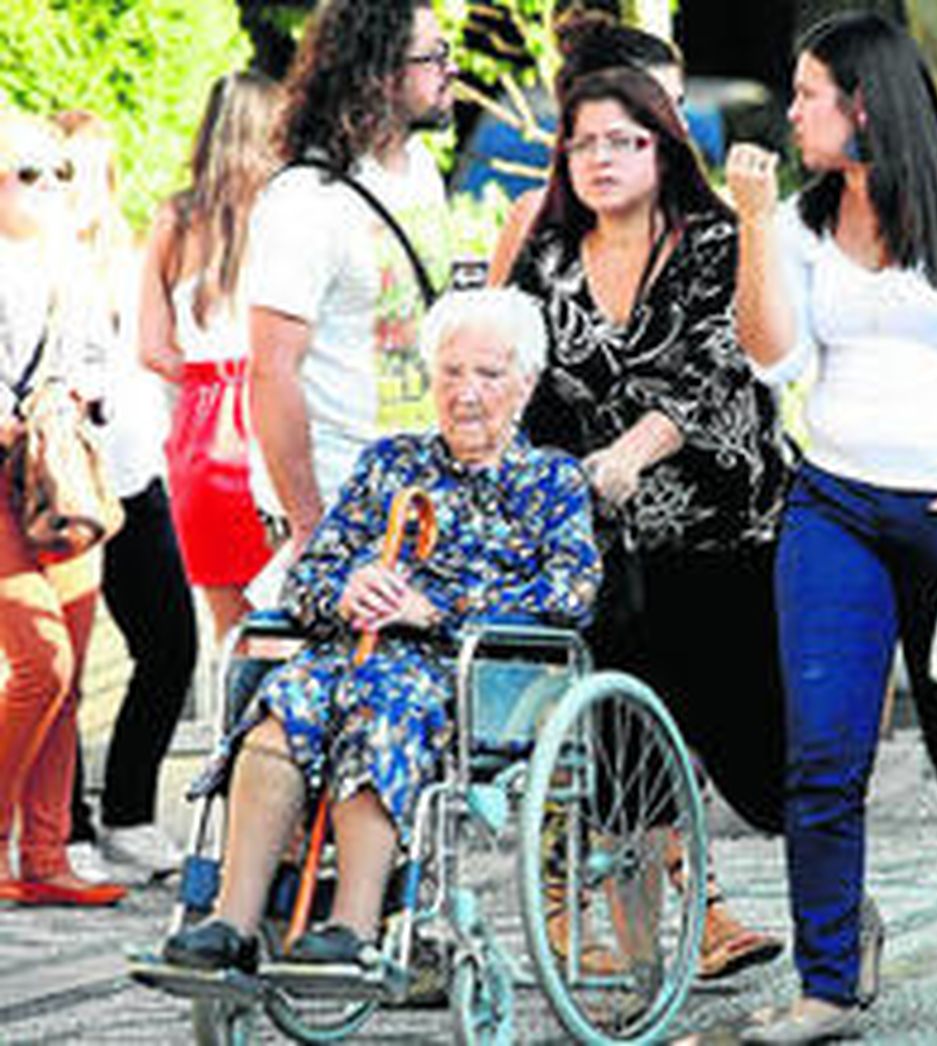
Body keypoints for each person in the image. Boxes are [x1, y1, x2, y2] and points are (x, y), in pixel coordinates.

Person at [727, 13, 937, 1039]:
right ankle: (828, 982)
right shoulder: (795, 218)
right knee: (822, 752)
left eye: (806, 95)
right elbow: (774, 361)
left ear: (863, 102)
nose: (789, 113)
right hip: (833, 500)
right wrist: (750, 221)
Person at [161, 287, 600, 970]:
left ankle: (353, 927)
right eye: (450, 373)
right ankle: (231, 924)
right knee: (284, 708)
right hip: (350, 653)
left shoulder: (552, 480)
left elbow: (570, 593)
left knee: (383, 704)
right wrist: (347, 589)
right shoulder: (391, 465)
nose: (466, 393)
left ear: (526, 383)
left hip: (470, 676)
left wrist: (438, 611)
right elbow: (307, 577)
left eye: (487, 375)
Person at [505, 66, 788, 979]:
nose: (600, 159)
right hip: (603, 545)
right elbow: (516, 368)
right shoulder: (549, 257)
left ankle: (828, 907)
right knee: (627, 755)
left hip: (723, 531)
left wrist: (632, 451)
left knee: (764, 762)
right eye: (582, 143)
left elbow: (719, 370)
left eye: (622, 141)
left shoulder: (712, 240)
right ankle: (638, 979)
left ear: (664, 149)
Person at [246, 0, 456, 569]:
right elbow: (270, 370)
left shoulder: (421, 171)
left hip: (420, 493)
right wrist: (309, 522)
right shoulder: (306, 200)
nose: (451, 70)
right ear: (381, 73)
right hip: (339, 495)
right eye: (434, 57)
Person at [52, 109, 201, 885]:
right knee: (62, 665)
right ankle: (63, 824)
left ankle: (130, 813)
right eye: (53, 172)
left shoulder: (133, 256)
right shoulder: (28, 267)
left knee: (172, 645)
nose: (69, 190)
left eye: (82, 173)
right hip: (62, 488)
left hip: (139, 479)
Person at [0, 108, 123, 907]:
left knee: (71, 673)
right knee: (40, 661)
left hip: (63, 475)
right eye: (25, 173)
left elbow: (102, 363)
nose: (47, 187)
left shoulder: (71, 263)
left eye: (58, 172)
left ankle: (45, 855)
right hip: (4, 471)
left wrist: (67, 395)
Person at [141, 73, 282, 638]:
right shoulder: (287, 210)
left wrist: (208, 378)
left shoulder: (175, 218)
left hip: (204, 426)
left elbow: (151, 348)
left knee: (236, 636)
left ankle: (237, 727)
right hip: (274, 411)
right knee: (296, 622)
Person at [487, 9, 685, 287]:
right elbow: (491, 324)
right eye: (659, 107)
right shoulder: (533, 219)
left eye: (678, 104)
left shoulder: (704, 230)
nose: (681, 126)